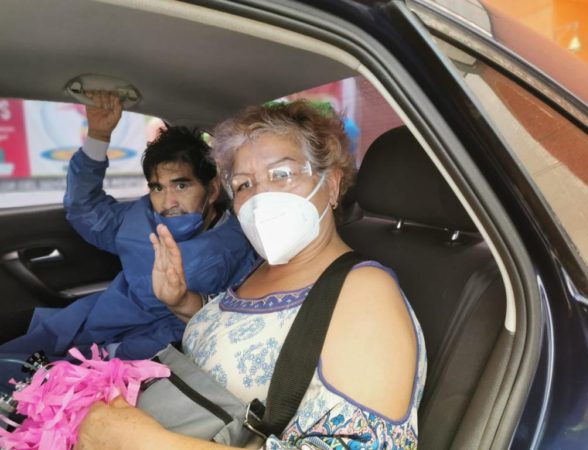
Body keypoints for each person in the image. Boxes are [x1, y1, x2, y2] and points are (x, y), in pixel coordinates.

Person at [75, 100, 427, 449]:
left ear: (332, 184)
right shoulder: (265, 265)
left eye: (281, 174)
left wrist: (144, 441)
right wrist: (181, 301)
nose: (261, 196)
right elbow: (247, 335)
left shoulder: (367, 295)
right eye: (244, 184)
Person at [0, 92, 256, 372]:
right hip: (91, 323)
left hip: (149, 353)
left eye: (181, 186)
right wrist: (98, 136)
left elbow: (225, 322)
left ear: (213, 189)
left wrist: (118, 356)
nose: (168, 201)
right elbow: (85, 210)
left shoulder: (240, 246)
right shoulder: (141, 216)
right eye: (158, 187)